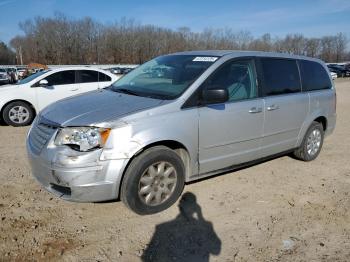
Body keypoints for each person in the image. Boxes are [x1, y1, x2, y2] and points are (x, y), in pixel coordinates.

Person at [142, 192, 221, 262]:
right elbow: (216, 251)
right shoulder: (206, 225)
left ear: (180, 205)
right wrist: (201, 217)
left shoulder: (161, 227)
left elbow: (145, 257)